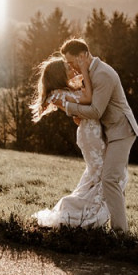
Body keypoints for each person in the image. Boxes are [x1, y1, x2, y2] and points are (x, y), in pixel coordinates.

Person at [54, 38, 138, 233]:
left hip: (121, 131)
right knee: (113, 179)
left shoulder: (103, 74)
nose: (71, 67)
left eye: (72, 62)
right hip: (109, 131)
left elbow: (96, 111)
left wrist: (68, 107)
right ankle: (112, 225)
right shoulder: (89, 73)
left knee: (109, 179)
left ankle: (120, 234)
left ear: (83, 55)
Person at [29, 55, 123, 229]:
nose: (72, 70)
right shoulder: (57, 94)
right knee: (103, 173)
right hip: (90, 135)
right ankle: (80, 214)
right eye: (68, 68)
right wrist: (85, 72)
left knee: (100, 173)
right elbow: (88, 98)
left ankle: (85, 212)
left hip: (93, 131)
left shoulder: (65, 91)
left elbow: (81, 110)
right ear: (59, 74)